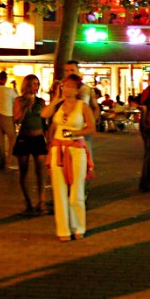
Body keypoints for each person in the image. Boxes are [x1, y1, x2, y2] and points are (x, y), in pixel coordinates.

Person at [42, 74, 96, 242]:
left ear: (78, 90)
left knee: (76, 191)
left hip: (76, 149)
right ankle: (63, 229)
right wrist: (56, 99)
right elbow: (44, 114)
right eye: (65, 86)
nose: (67, 90)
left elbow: (91, 128)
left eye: (71, 87)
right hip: (58, 149)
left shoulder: (82, 106)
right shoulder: (59, 105)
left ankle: (78, 226)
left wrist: (75, 133)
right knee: (59, 191)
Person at [13, 74, 48, 215]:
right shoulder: (19, 100)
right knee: (24, 171)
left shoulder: (41, 101)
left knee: (40, 171)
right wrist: (26, 107)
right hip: (24, 138)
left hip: (38, 137)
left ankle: (42, 201)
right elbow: (17, 120)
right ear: (27, 85)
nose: (35, 86)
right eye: (33, 83)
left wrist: (48, 139)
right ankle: (28, 202)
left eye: (37, 83)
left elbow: (44, 122)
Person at [0, 71, 19, 171]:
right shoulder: (9, 91)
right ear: (6, 79)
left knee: (0, 142)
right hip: (7, 115)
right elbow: (17, 98)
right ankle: (9, 163)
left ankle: (0, 164)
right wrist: (15, 87)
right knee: (13, 139)